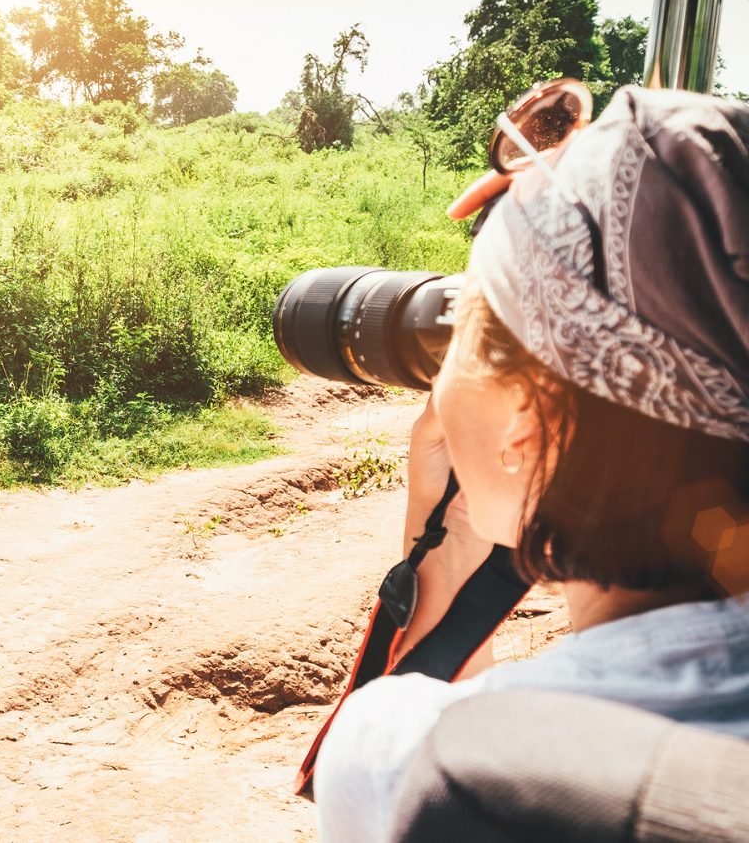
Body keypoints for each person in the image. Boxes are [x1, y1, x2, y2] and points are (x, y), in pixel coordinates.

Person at [313, 85, 749, 842]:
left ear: (532, 415)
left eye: (471, 327)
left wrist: (439, 549)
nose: (439, 376)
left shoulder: (421, 764)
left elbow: (478, 719)